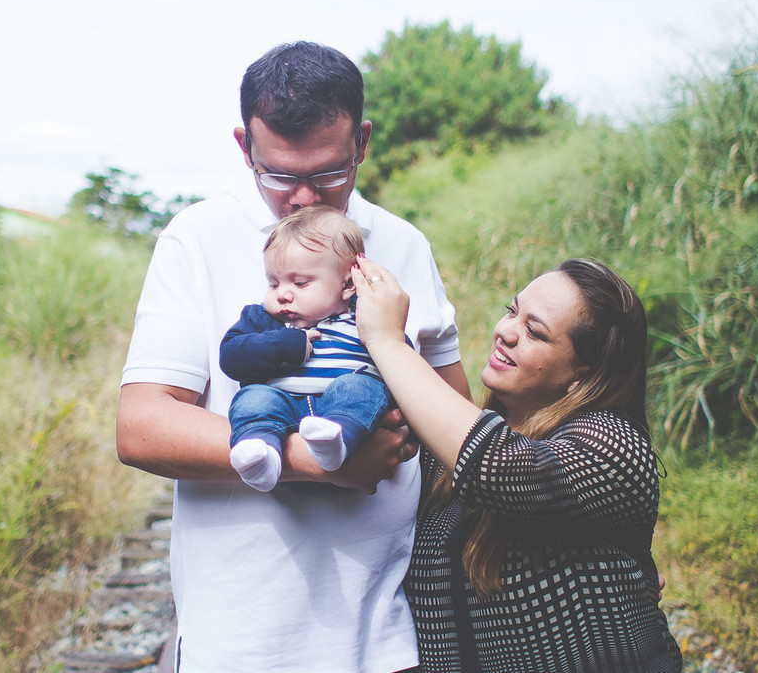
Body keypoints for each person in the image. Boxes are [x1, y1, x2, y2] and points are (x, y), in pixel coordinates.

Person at [116, 40, 471, 673]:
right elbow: (141, 426)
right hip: (242, 632)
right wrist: (319, 461)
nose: (303, 198)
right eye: (279, 175)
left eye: (329, 173)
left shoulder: (404, 244)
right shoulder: (196, 237)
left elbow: (456, 424)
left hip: (388, 629)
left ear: (361, 141)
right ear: (243, 146)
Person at [352, 256, 684, 673]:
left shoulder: (615, 445)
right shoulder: (443, 460)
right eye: (512, 311)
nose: (505, 331)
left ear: (584, 372)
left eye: (535, 331)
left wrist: (385, 341)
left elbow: (501, 467)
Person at [221, 205, 397, 492]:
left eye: (300, 282)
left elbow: (400, 365)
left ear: (348, 285)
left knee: (361, 387)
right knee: (254, 398)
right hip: (282, 405)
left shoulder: (366, 317)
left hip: (341, 412)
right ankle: (260, 453)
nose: (283, 294)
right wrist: (286, 344)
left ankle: (337, 441)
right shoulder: (264, 320)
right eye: (273, 283)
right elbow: (231, 357)